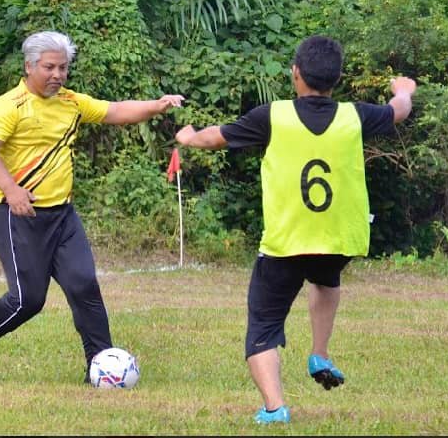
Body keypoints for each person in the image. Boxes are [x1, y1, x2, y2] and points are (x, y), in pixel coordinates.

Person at [174, 34, 415, 425]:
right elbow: (397, 111)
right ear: (337, 78)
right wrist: (403, 90)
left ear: (296, 73)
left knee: (264, 324)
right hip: (337, 239)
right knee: (325, 279)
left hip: (286, 241)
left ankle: (275, 408)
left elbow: (216, 137)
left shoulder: (273, 115)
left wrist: (188, 137)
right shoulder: (355, 115)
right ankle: (319, 353)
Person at [0, 30, 185, 384]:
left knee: (84, 286)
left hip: (62, 216)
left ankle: (101, 367)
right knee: (27, 300)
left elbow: (116, 111)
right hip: (18, 215)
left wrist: (157, 105)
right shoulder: (10, 105)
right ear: (29, 66)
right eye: (49, 67)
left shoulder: (71, 102)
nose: (58, 75)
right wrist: (11, 190)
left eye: (63, 68)